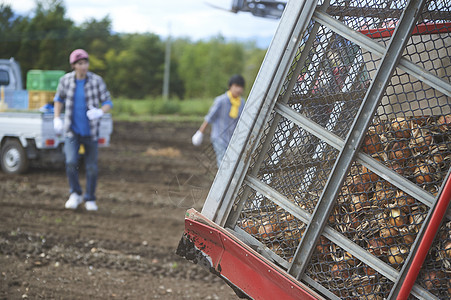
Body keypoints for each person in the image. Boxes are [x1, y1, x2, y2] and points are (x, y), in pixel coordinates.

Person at [53, 49, 113, 211]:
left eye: (85, 62)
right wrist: (56, 117)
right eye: (80, 63)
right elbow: (58, 100)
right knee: (71, 162)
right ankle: (75, 193)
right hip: (71, 131)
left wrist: (101, 111)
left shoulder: (96, 81)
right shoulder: (65, 81)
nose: (84, 66)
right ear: (73, 65)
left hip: (91, 132)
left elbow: (108, 102)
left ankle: (90, 198)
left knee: (92, 166)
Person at [192, 74, 245, 167]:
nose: (238, 90)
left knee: (234, 163)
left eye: (241, 87)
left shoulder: (242, 103)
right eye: (236, 86)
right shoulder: (221, 100)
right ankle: (226, 181)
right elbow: (210, 117)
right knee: (223, 162)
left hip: (233, 140)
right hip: (219, 138)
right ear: (230, 86)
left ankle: (231, 181)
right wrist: (200, 132)